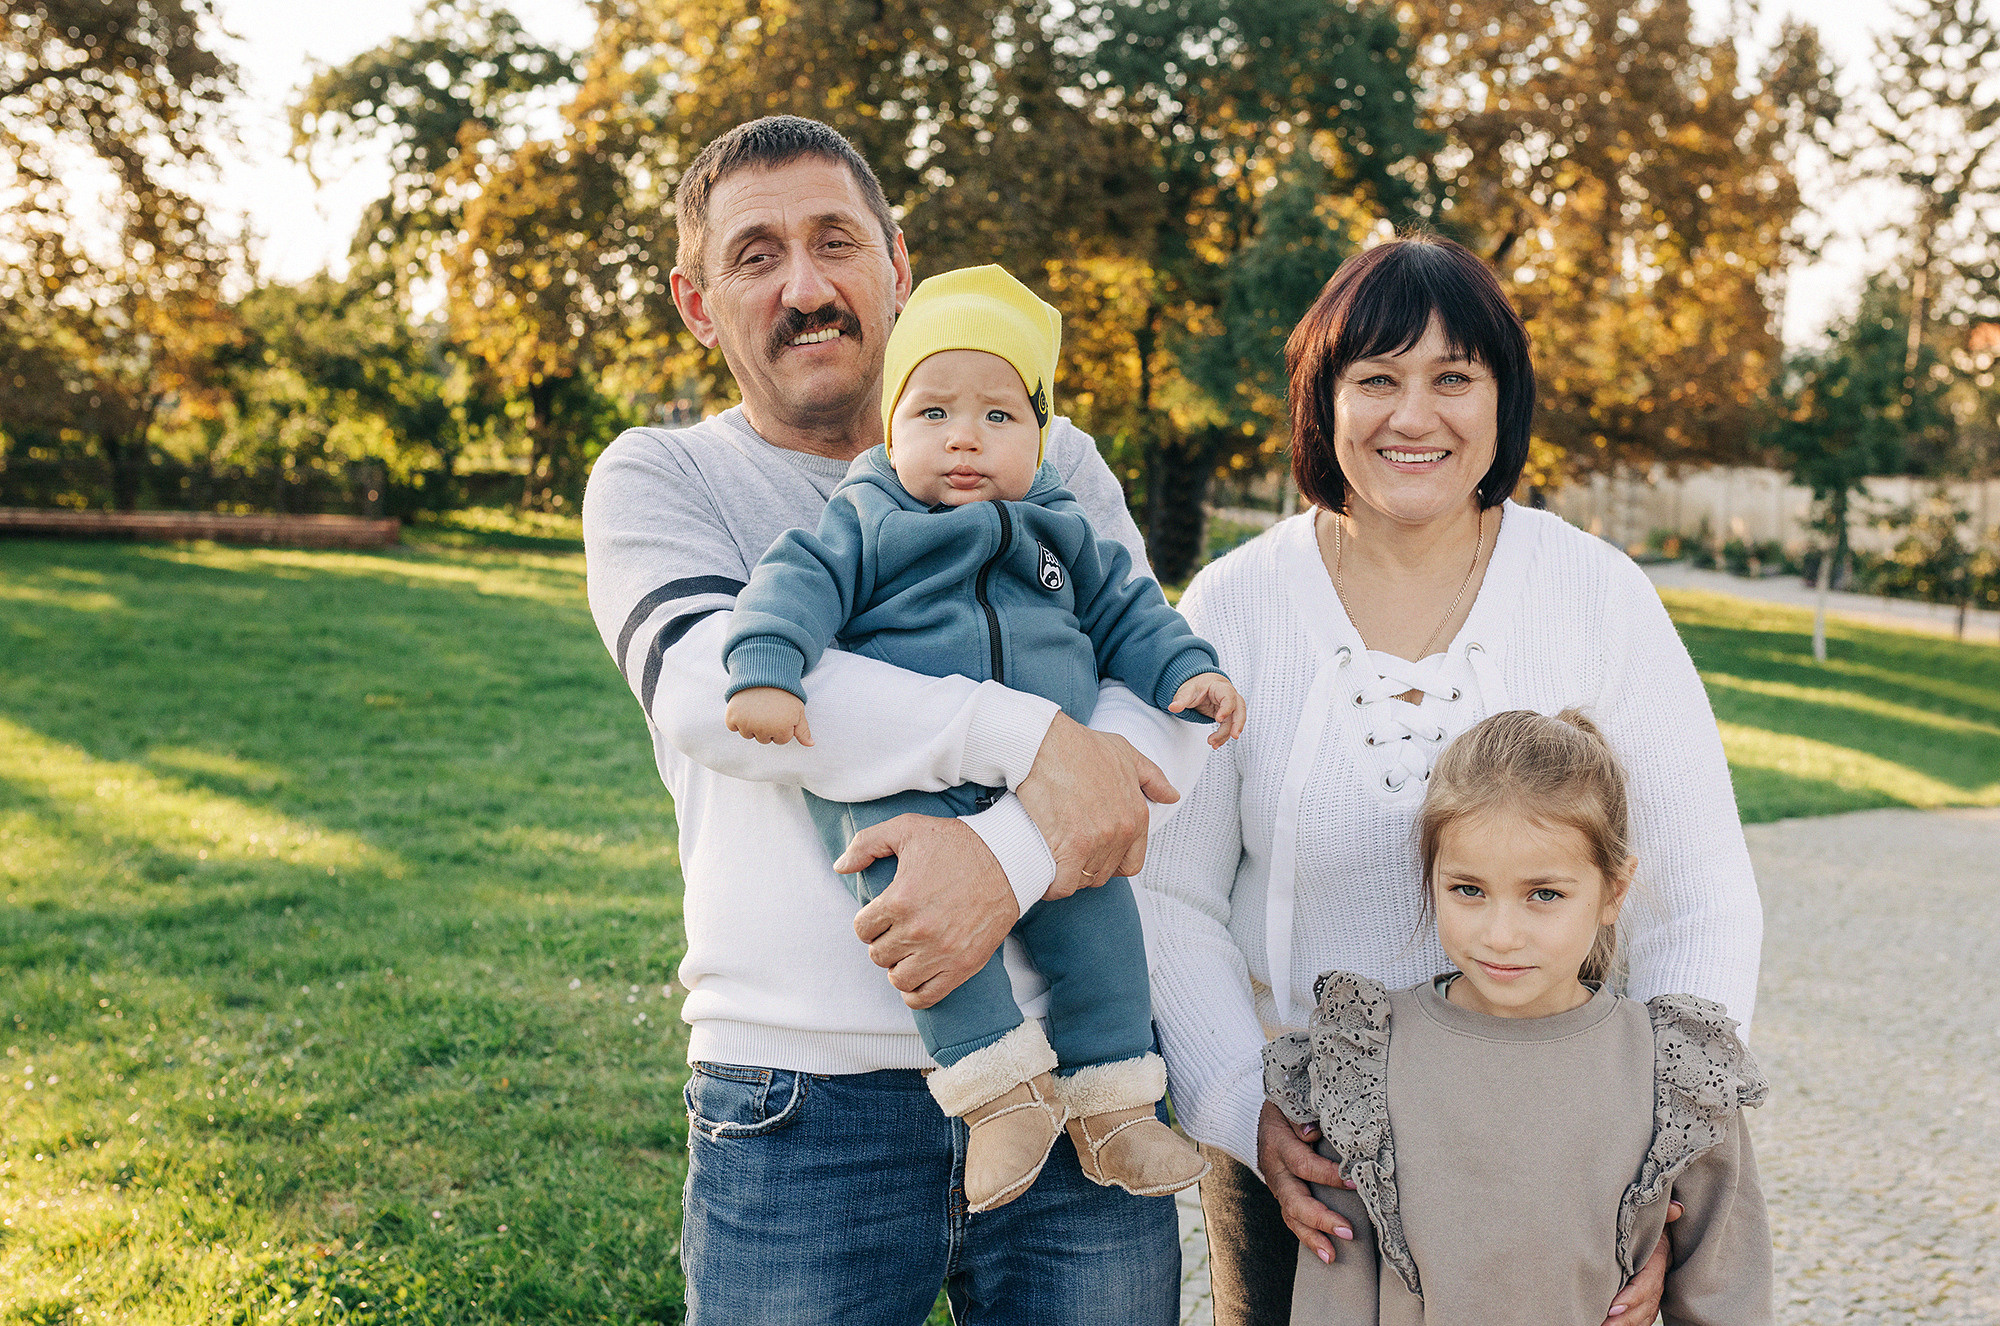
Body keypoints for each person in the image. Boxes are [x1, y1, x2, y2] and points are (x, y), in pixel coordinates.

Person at [581, 116, 1207, 1324]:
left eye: (835, 242)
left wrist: (998, 864)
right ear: (698, 305)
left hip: (1081, 1074)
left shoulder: (1048, 456)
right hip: (800, 1099)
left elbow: (1156, 715)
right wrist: (1023, 742)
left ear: (899, 268)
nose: (805, 286)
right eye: (755, 255)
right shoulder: (664, 477)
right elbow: (724, 696)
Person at [1131, 234, 1765, 1326]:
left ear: (1500, 400)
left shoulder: (1595, 597)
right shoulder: (1232, 609)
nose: (1410, 417)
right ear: (1320, 403)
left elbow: (1697, 894)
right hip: (1308, 1162)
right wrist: (1243, 1110)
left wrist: (1654, 1157)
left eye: (1451, 379)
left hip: (1557, 1145)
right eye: (1373, 379)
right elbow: (1167, 894)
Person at [722, 263, 1239, 1212]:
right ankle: (1001, 1097)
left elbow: (1132, 613)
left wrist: (1186, 670)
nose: (965, 437)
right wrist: (765, 666)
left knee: (1103, 931)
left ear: (1040, 437)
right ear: (892, 426)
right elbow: (791, 585)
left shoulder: (1061, 530)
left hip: (1056, 802)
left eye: (1000, 417)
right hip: (912, 789)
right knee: (920, 922)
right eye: (933, 414)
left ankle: (1116, 1112)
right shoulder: (866, 519)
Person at [1264, 709, 1772, 1326]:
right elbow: (1334, 1294)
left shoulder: (1674, 1069)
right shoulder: (1365, 1058)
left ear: (1614, 891)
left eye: (1545, 894)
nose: (1502, 936)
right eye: (1469, 890)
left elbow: (1727, 1291)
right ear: (1430, 879)